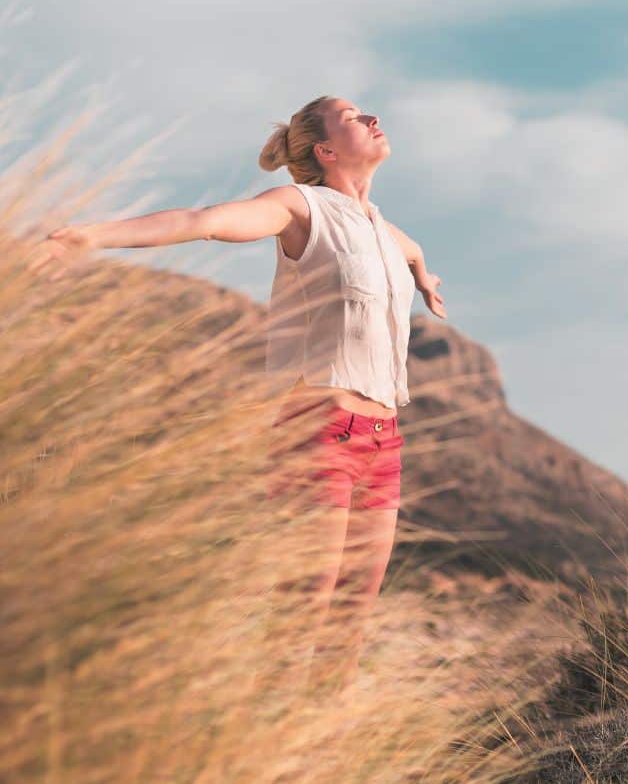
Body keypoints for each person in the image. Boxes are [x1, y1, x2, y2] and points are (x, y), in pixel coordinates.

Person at [28, 94, 448, 696]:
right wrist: (92, 236)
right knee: (303, 611)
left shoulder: (388, 230)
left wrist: (423, 278)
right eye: (355, 117)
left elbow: (410, 252)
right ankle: (267, 739)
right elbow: (206, 222)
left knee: (350, 624)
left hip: (385, 446)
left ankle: (321, 751)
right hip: (320, 436)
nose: (374, 118)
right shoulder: (300, 207)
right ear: (326, 151)